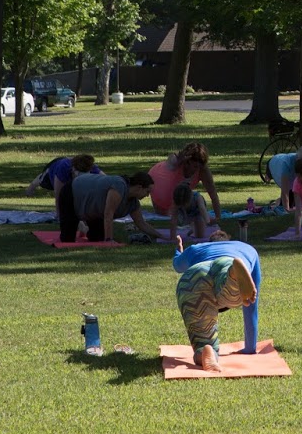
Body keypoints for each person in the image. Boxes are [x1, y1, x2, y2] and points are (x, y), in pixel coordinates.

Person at [172, 232, 261, 370]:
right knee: (237, 296)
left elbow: (177, 266)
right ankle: (232, 276)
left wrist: (178, 250)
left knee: (202, 341)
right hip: (227, 262)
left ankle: (205, 350)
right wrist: (250, 347)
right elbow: (251, 305)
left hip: (194, 274)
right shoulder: (247, 248)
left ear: (210, 241)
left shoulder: (196, 249)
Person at [57, 170, 159, 244]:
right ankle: (80, 227)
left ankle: (83, 229)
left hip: (94, 210)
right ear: (139, 187)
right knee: (67, 241)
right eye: (147, 191)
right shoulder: (119, 186)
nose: (147, 195)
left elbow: (141, 223)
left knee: (97, 238)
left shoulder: (133, 203)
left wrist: (162, 236)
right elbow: (108, 214)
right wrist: (109, 240)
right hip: (72, 192)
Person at [148, 143, 223, 229]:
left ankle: (205, 222)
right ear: (187, 161)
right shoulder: (176, 159)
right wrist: (178, 161)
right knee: (168, 213)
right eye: (194, 165)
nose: (196, 169)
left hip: (178, 199)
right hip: (159, 194)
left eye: (199, 166)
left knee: (198, 199)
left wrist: (218, 217)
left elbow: (213, 193)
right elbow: (171, 163)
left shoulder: (202, 170)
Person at [268, 145, 302, 211]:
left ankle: (277, 201)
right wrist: (286, 210)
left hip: (290, 170)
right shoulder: (286, 164)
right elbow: (285, 191)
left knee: (297, 200)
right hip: (274, 163)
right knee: (289, 200)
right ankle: (275, 204)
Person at [26, 154, 99, 196]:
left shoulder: (92, 168)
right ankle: (30, 188)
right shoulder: (62, 169)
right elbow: (58, 195)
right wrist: (59, 216)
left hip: (70, 164)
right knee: (42, 180)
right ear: (74, 170)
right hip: (52, 168)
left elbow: (106, 181)